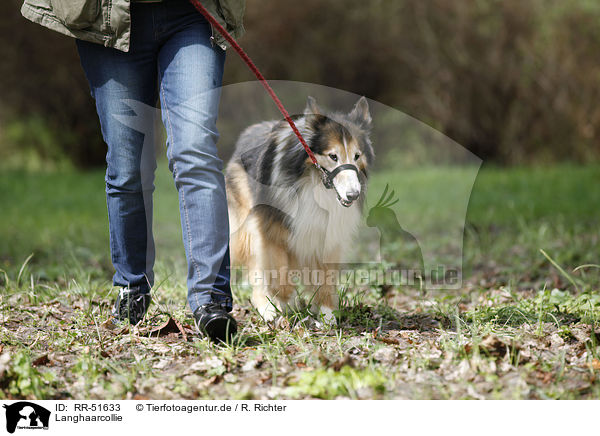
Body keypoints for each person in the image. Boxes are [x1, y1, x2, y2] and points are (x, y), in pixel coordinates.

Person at [21, 0, 245, 343]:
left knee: (195, 150)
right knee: (128, 167)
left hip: (193, 15)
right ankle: (132, 287)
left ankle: (210, 301)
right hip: (105, 19)